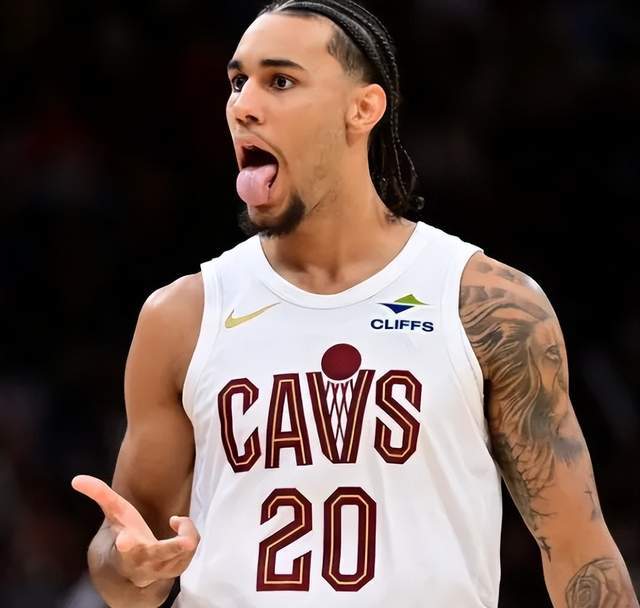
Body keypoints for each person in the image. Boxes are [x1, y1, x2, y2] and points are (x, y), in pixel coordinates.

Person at [72, 1, 639, 607]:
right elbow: (127, 573)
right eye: (237, 83)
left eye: (280, 81)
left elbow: (580, 554)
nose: (243, 105)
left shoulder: (485, 304)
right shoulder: (181, 316)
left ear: (363, 108)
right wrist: (128, 563)